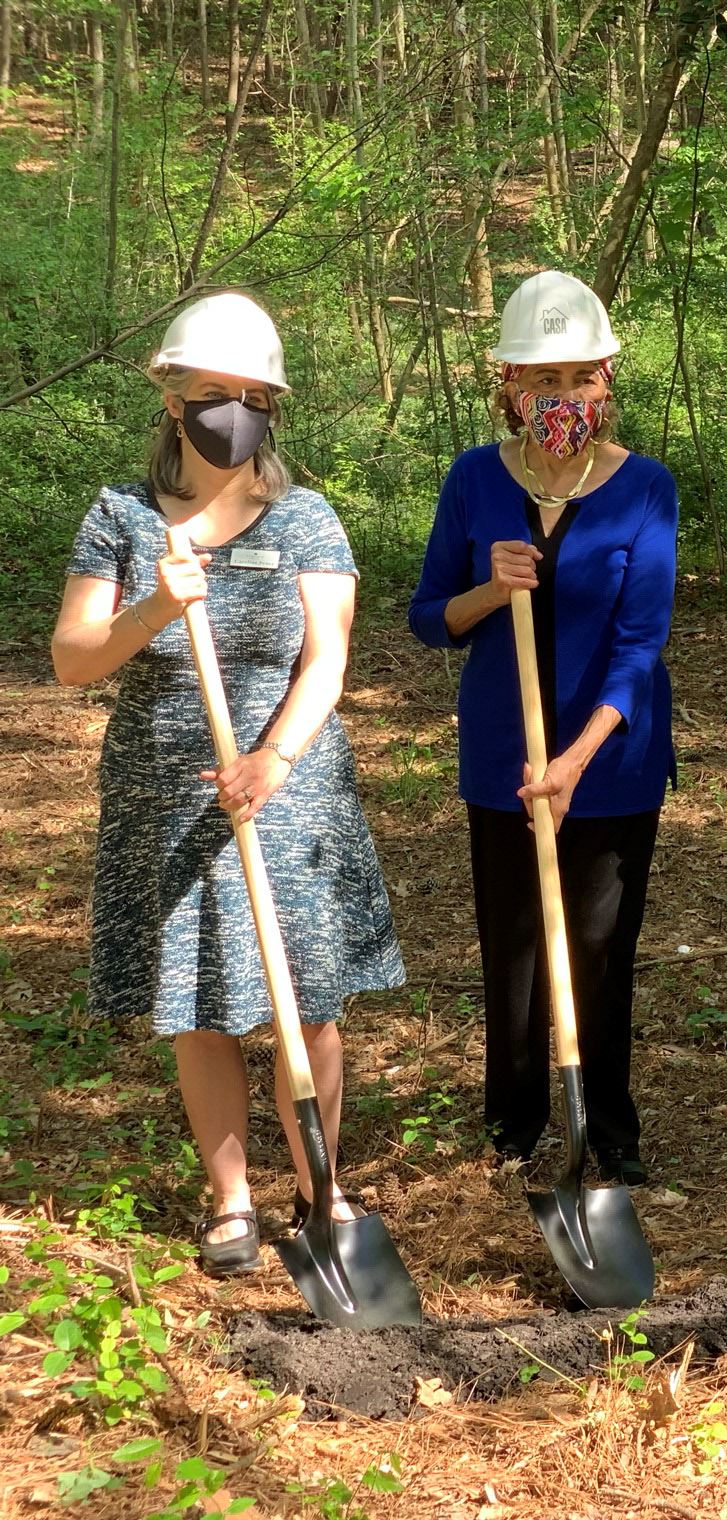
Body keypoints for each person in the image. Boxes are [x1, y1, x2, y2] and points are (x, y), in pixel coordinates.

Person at [50, 292, 405, 1277]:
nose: (234, 413)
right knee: (195, 996)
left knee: (310, 996)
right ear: (174, 400)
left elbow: (326, 664)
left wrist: (272, 761)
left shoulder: (306, 518)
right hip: (166, 791)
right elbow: (74, 660)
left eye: (254, 396)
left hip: (292, 787)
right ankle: (231, 1202)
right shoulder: (120, 517)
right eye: (215, 394)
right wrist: (156, 606)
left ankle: (324, 1189)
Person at [408, 269, 677, 1186]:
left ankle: (607, 1128)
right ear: (510, 386)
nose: (563, 398)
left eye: (581, 379)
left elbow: (640, 645)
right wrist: (493, 586)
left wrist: (576, 757)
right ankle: (514, 1127)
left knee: (601, 947)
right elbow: (426, 614)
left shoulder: (645, 489)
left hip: (611, 757)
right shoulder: (476, 479)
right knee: (515, 948)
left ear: (607, 381)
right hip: (503, 755)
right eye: (544, 380)